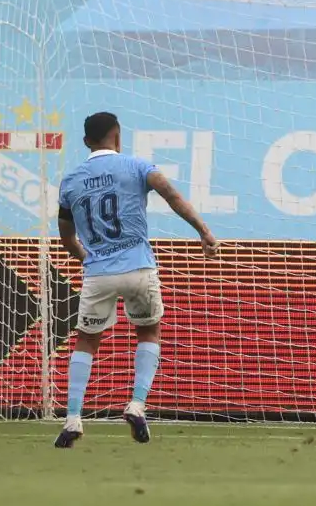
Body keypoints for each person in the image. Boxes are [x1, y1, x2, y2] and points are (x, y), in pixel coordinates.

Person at [53, 111, 216, 448]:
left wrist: (91, 259)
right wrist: (204, 232)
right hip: (140, 268)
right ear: (118, 135)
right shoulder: (139, 167)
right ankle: (137, 404)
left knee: (86, 341)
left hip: (98, 274)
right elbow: (171, 195)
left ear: (86, 142)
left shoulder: (70, 182)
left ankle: (72, 419)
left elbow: (67, 239)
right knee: (148, 331)